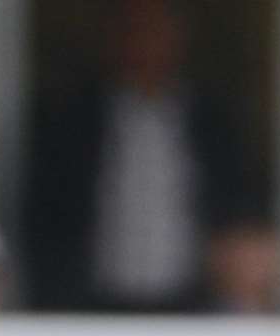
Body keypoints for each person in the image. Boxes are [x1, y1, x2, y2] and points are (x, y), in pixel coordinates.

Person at [22, 0, 260, 312]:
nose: (144, 42)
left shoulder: (211, 123)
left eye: (155, 29)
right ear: (110, 37)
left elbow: (240, 213)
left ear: (179, 35)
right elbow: (43, 218)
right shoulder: (71, 123)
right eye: (132, 30)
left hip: (192, 308)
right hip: (92, 309)